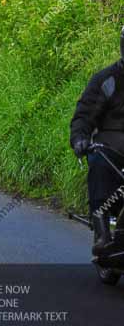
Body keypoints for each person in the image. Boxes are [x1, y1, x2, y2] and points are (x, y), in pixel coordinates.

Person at [70, 26, 124, 254]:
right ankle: (102, 233)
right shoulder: (107, 79)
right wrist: (80, 138)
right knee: (99, 163)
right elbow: (84, 114)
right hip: (112, 149)